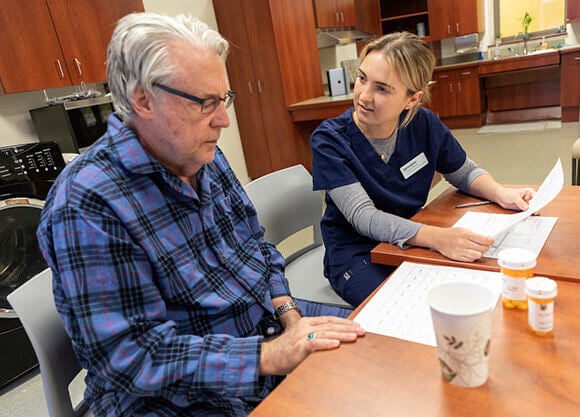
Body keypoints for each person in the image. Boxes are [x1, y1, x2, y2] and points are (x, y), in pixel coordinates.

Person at [36, 12, 364, 417]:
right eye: (205, 102)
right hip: (164, 394)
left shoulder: (202, 155)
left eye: (223, 99)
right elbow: (131, 356)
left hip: (258, 327)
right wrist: (269, 356)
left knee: (383, 340)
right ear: (143, 99)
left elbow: (253, 247)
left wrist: (289, 316)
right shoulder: (87, 203)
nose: (224, 120)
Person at [310, 32, 535, 307]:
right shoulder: (330, 140)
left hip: (410, 238)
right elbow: (364, 217)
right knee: (408, 309)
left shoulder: (423, 124)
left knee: (473, 291)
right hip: (357, 253)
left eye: (382, 88)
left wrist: (501, 193)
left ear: (412, 99)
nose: (364, 96)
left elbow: (462, 172)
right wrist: (438, 238)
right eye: (362, 78)